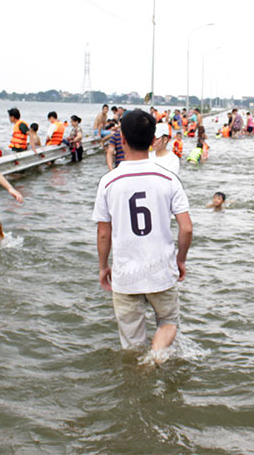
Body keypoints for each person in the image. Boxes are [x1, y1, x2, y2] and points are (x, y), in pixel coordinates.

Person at [92, 109, 193, 357]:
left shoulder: (109, 181)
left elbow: (104, 233)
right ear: (152, 141)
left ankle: (140, 373)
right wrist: (180, 260)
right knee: (168, 323)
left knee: (131, 344)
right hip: (161, 271)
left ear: (122, 139)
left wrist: (104, 266)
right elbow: (187, 228)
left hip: (126, 275)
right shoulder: (168, 178)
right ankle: (157, 356)